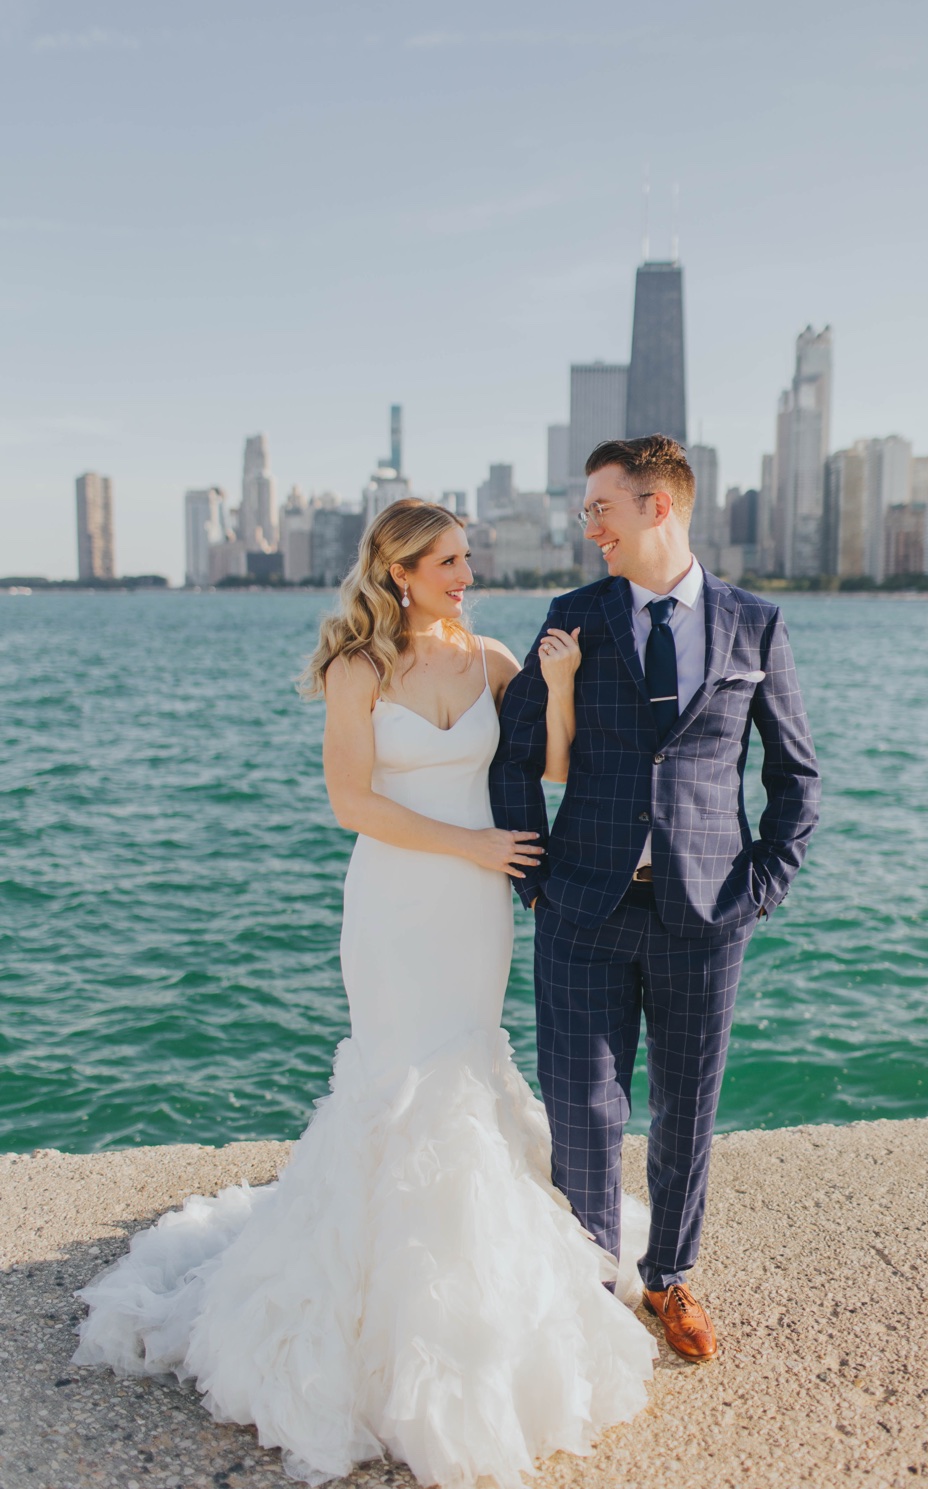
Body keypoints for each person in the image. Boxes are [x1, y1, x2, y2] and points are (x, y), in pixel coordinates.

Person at [72, 498, 656, 1489]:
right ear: (398, 573)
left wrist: (556, 686)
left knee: (465, 1069)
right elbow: (352, 801)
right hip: (394, 903)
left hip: (475, 910)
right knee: (397, 1078)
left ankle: (473, 1307)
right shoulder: (359, 667)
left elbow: (552, 766)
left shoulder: (494, 659)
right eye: (447, 562)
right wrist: (470, 842)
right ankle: (367, 1315)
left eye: (467, 558)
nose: (465, 574)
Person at [489, 434, 819, 1363]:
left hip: (706, 918)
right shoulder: (572, 615)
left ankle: (669, 1279)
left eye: (601, 507)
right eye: (585, 509)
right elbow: (517, 757)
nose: (587, 524)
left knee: (685, 1110)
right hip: (583, 908)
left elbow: (796, 777)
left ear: (657, 507)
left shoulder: (754, 625)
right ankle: (594, 1286)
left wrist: (759, 887)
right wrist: (535, 876)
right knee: (584, 1109)